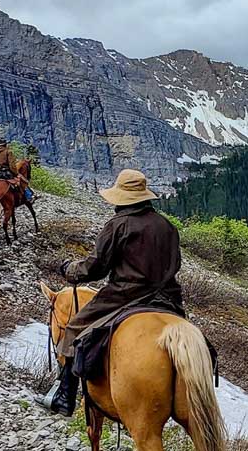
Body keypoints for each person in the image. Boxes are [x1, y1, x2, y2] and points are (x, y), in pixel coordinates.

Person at [49, 168, 183, 415]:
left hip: (125, 295)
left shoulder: (118, 225)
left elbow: (96, 267)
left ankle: (65, 397)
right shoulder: (167, 227)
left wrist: (71, 270)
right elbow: (175, 264)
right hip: (168, 298)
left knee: (75, 328)